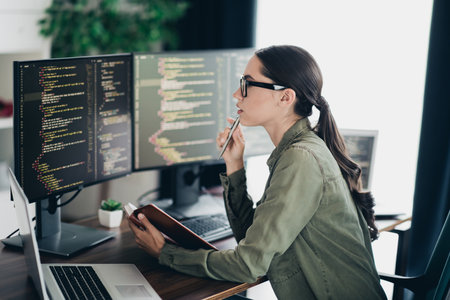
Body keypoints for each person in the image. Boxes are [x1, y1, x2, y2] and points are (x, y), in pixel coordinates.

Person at [128, 45, 387, 299]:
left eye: (246, 84)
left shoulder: (301, 159)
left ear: (285, 97)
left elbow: (248, 265)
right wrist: (234, 165)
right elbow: (251, 240)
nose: (235, 94)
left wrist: (165, 253)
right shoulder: (298, 150)